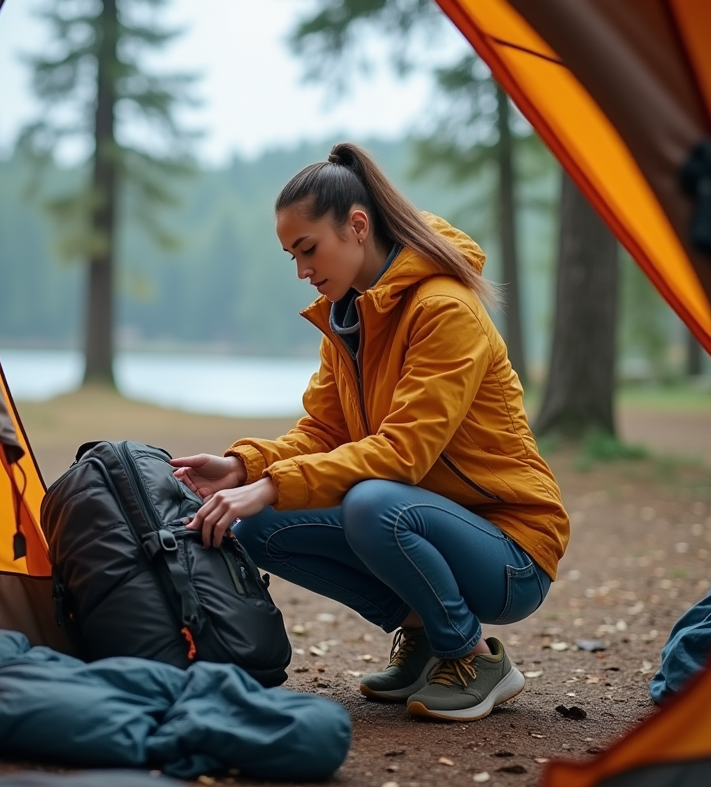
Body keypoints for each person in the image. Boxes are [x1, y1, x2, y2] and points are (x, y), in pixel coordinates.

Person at [170, 142, 569, 722]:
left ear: (357, 226)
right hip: (424, 519)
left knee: (372, 504)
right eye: (292, 256)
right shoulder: (349, 318)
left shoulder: (445, 309)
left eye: (309, 249)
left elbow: (404, 453)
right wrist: (245, 468)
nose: (303, 271)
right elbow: (323, 431)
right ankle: (425, 633)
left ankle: (473, 657)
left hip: (511, 550)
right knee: (256, 524)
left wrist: (275, 482)